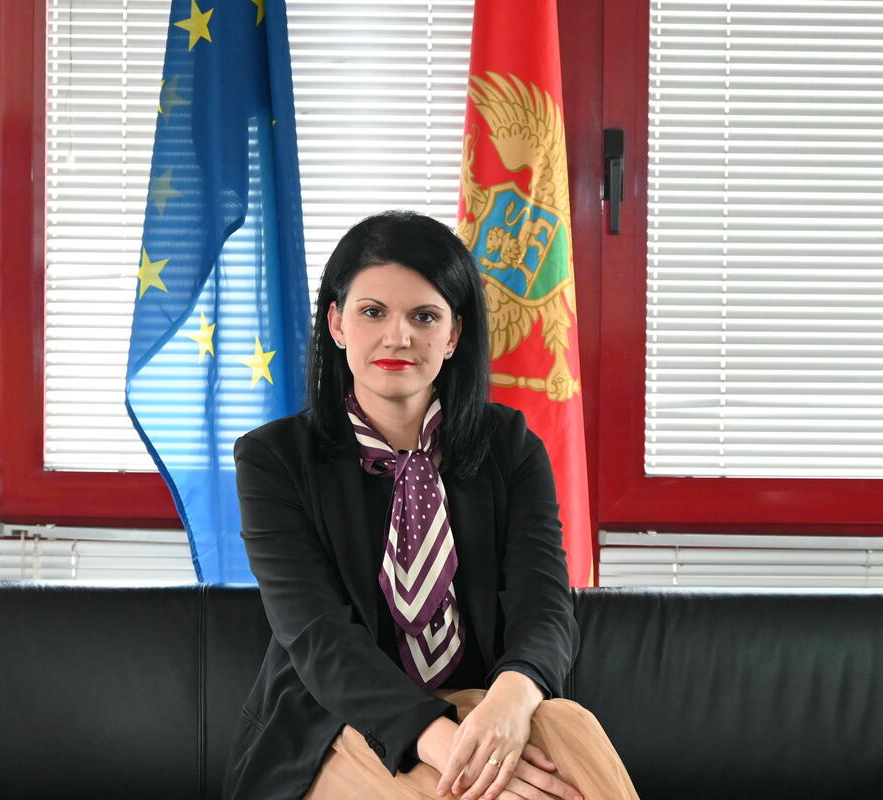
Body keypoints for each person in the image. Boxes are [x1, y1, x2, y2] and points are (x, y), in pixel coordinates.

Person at [220, 211, 640, 800]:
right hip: (336, 724)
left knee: (569, 725)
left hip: (486, 705)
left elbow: (543, 605)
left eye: (424, 316)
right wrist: (454, 753)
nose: (399, 337)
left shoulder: (512, 447)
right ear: (337, 323)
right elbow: (319, 640)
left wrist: (512, 699)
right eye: (373, 312)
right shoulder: (273, 459)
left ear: (454, 333)